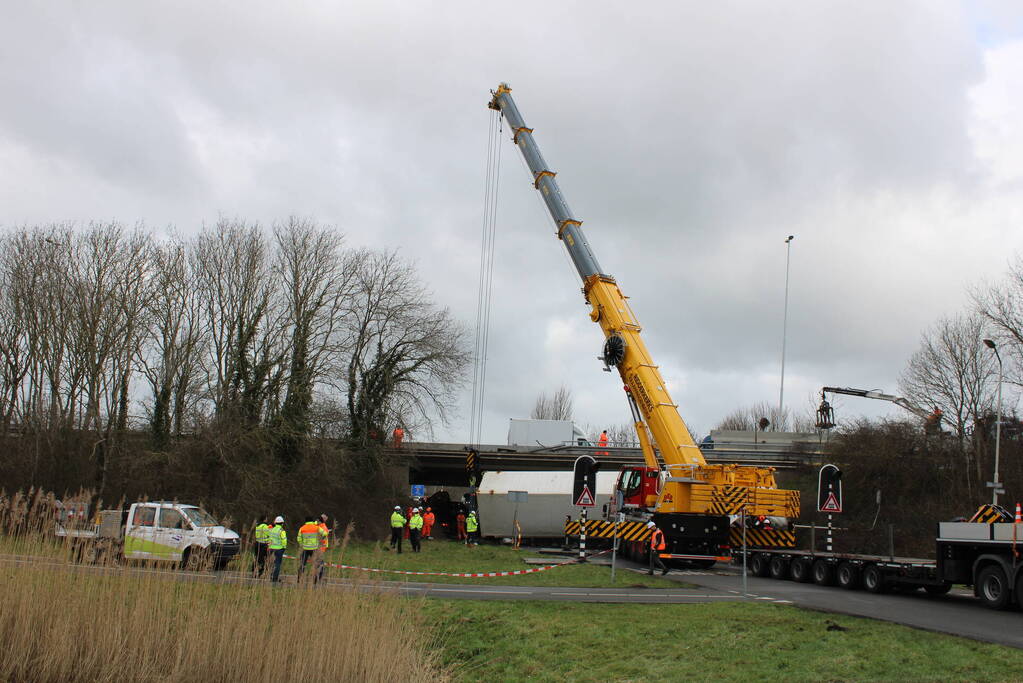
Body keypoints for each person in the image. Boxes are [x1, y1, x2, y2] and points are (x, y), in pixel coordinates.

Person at [297, 517, 325, 584]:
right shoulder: (316, 527)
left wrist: (302, 544)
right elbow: (325, 533)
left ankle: (299, 580)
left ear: (305, 521)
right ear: (312, 521)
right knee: (318, 564)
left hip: (305, 549)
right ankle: (316, 581)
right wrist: (321, 539)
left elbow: (298, 539)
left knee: (302, 565)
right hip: (314, 549)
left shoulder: (302, 528)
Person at [267, 515, 287, 584]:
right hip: (279, 549)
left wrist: (269, 546)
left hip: (271, 548)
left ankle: (271, 577)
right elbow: (284, 540)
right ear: (282, 523)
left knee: (272, 563)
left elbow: (269, 539)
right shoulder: (282, 531)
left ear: (275, 522)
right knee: (277, 564)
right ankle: (274, 579)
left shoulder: (272, 529)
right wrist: (284, 547)